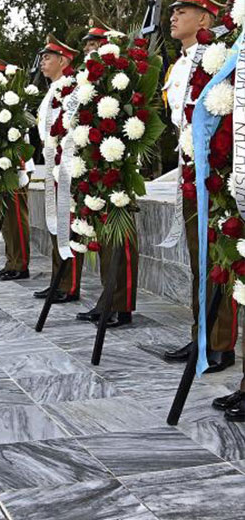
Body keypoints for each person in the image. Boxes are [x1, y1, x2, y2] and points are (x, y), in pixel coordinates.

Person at [161, 0, 236, 371]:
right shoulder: (178, 65)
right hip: (190, 165)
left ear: (205, 18)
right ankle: (200, 337)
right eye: (173, 12)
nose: (174, 17)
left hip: (216, 168)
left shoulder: (220, 57)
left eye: (184, 11)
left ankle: (220, 344)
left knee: (218, 258)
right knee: (198, 259)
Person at [74, 19, 139, 328]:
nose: (90, 51)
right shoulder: (88, 81)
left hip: (117, 166)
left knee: (119, 239)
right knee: (105, 238)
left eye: (94, 45)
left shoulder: (123, 73)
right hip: (95, 166)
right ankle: (108, 299)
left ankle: (120, 304)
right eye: (87, 46)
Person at [33, 34, 83, 304]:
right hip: (53, 163)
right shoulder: (54, 88)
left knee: (67, 225)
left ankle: (68, 284)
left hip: (67, 165)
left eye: (48, 57)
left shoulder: (71, 87)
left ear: (63, 60)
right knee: (57, 224)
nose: (43, 62)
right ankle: (58, 281)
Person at [0, 58, 31, 281]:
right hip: (5, 165)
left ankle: (20, 263)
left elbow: (21, 137)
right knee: (7, 221)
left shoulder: (17, 103)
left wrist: (21, 168)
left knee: (16, 218)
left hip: (17, 166)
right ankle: (11, 260)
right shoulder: (1, 103)